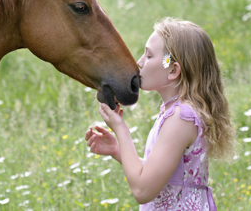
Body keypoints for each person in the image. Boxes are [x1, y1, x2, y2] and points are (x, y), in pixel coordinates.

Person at [85, 18, 236, 210]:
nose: (139, 62)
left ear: (172, 69)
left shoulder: (181, 118)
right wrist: (117, 149)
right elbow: (160, 177)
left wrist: (121, 129)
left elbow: (143, 190)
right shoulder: (178, 113)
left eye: (148, 56)